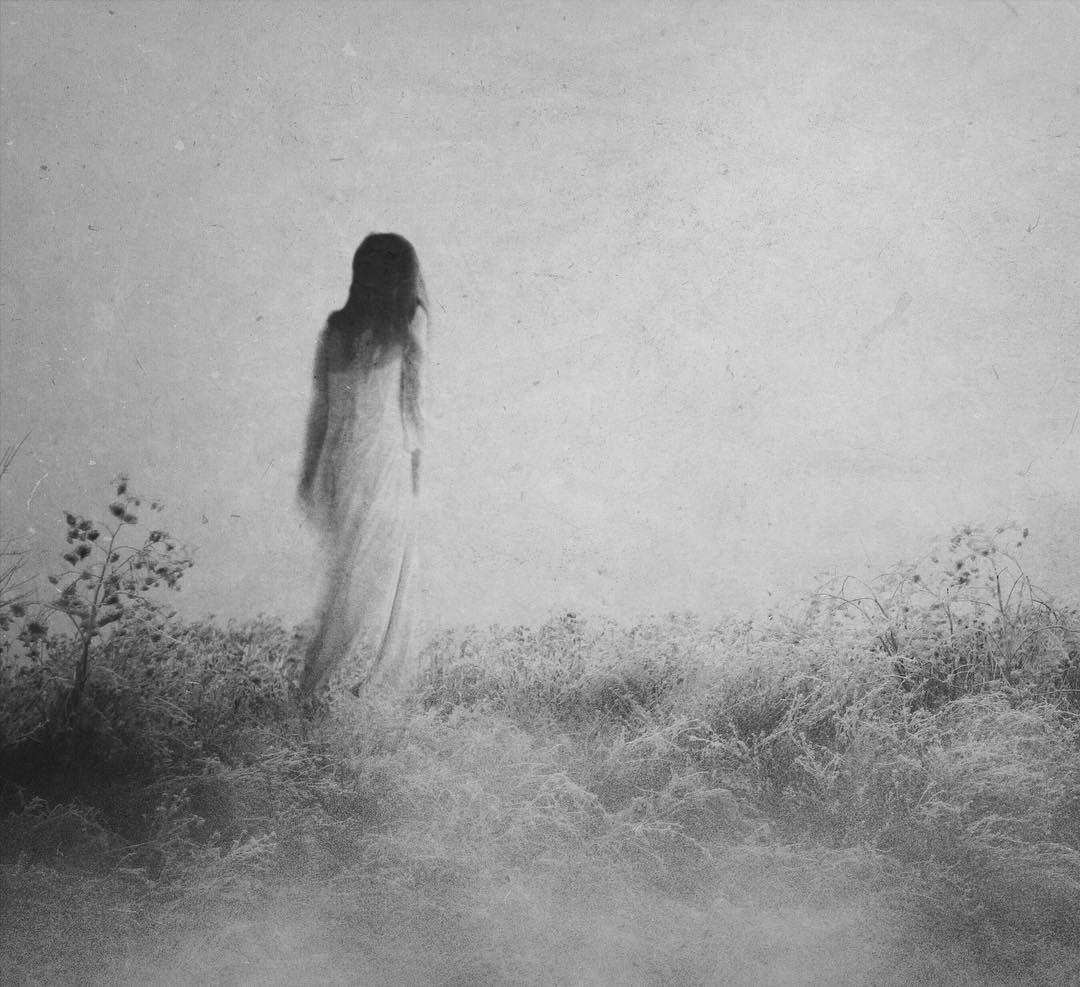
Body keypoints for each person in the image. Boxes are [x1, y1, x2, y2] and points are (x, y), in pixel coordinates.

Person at [296, 233, 428, 699]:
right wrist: (418, 479)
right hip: (386, 464)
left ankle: (319, 687)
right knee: (382, 579)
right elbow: (415, 409)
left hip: (344, 464)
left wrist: (310, 474)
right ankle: (357, 689)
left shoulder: (337, 330)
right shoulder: (407, 326)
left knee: (349, 580)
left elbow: (322, 410)